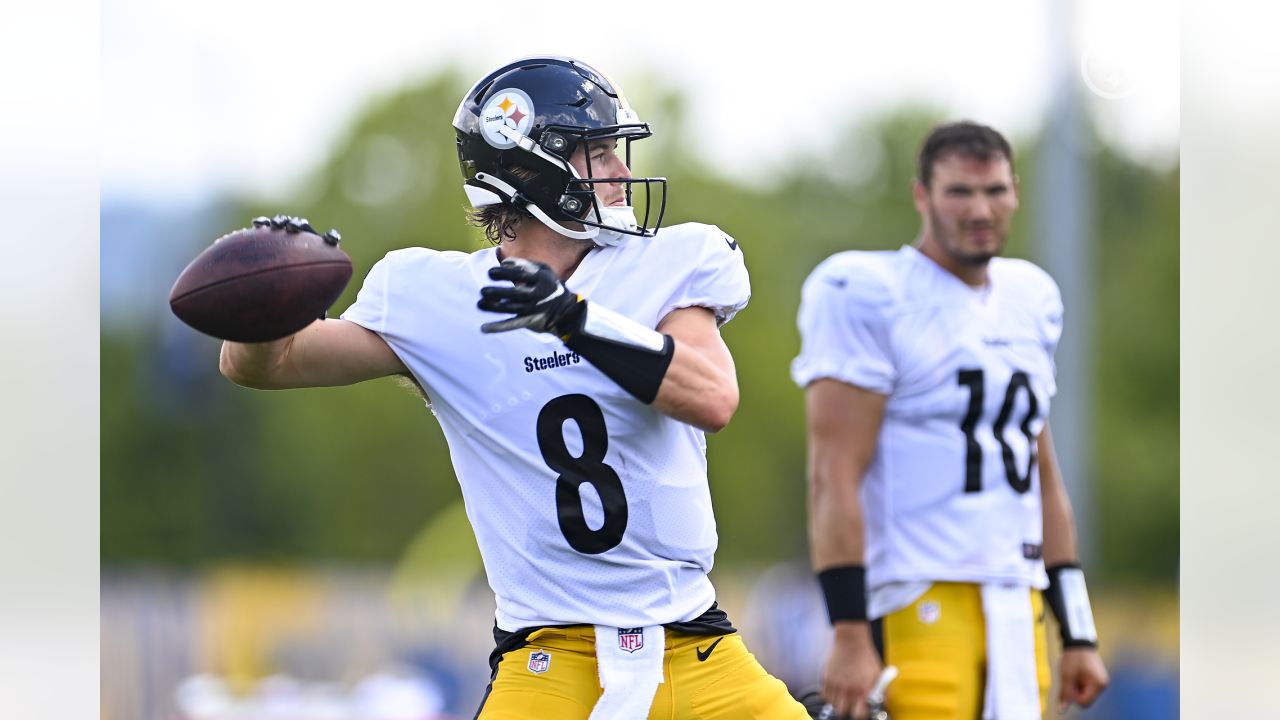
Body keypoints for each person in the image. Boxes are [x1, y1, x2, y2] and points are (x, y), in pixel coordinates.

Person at [219, 56, 808, 720]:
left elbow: (711, 397)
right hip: (549, 659)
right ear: (532, 169)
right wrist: (260, 301)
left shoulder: (669, 264)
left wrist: (573, 320)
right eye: (598, 153)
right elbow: (267, 365)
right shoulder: (438, 298)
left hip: (696, 652)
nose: (619, 171)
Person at [792, 122, 1110, 719]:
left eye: (994, 190)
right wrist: (850, 632)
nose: (980, 209)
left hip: (1017, 597)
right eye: (960, 192)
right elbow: (833, 474)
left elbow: (1041, 470)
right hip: (915, 590)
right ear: (923, 195)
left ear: (1015, 190)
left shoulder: (1031, 297)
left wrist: (1080, 630)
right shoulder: (868, 292)